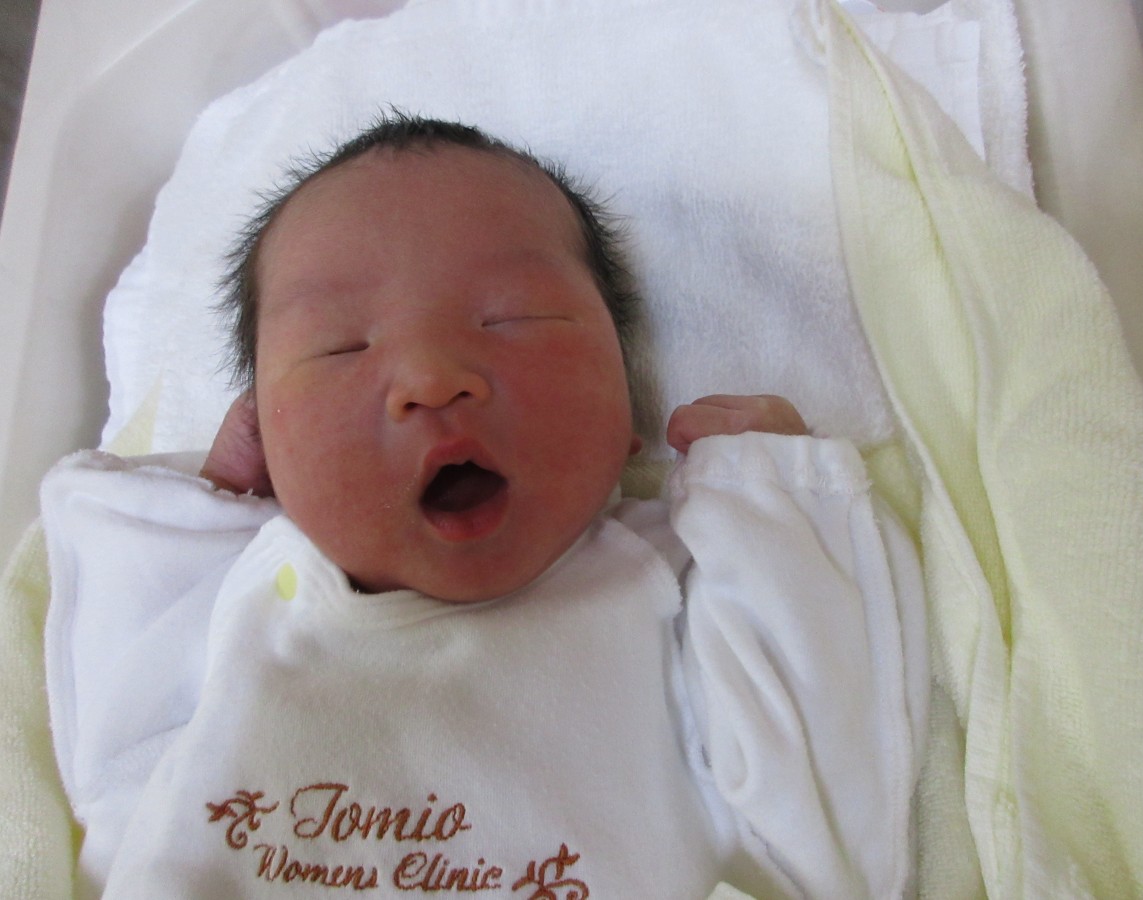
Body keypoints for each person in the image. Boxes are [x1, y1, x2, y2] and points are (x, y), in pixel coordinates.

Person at [41, 113, 928, 899]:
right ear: (262, 433)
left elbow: (822, 811)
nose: (432, 378)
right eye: (341, 347)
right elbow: (118, 764)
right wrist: (198, 524)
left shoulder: (670, 584)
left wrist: (776, 518)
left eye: (513, 318)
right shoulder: (235, 607)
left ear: (625, 403)